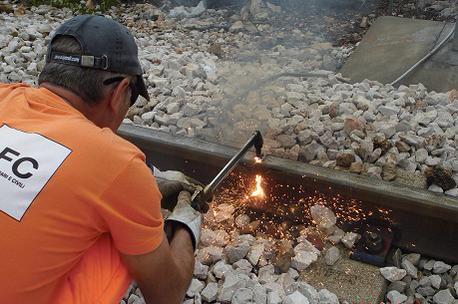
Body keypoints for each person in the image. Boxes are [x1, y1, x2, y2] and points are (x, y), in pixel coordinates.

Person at [0, 14, 203, 304]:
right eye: (132, 97)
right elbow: (167, 296)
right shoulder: (118, 162)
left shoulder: (5, 95)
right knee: (119, 233)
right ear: (119, 92)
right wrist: (187, 224)